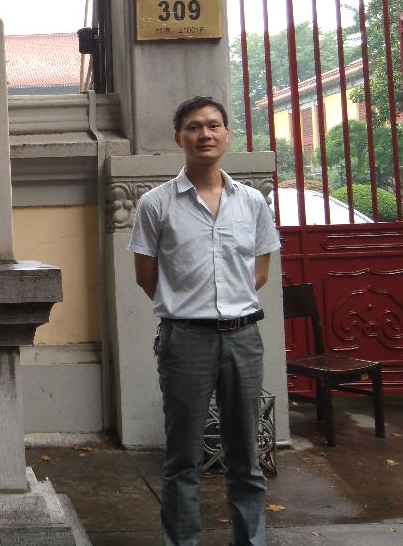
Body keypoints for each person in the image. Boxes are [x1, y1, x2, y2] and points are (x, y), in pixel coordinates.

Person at [129, 95, 280, 546]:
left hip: (243, 339)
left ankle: (250, 540)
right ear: (179, 138)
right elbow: (146, 275)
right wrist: (187, 304)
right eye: (194, 127)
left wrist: (229, 302)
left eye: (214, 125)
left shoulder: (252, 201)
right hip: (185, 340)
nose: (205, 134)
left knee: (246, 457)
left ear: (227, 134)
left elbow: (260, 270)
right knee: (183, 459)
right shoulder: (156, 204)